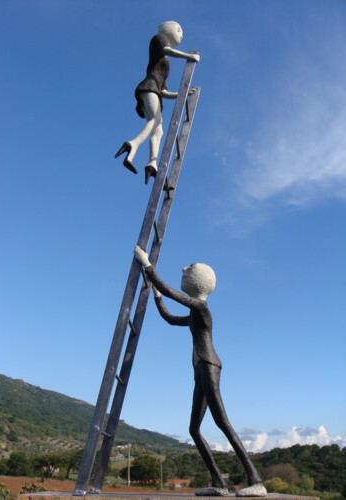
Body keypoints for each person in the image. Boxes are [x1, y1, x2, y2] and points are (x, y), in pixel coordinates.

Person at [134, 245, 267, 497]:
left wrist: (148, 265)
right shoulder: (194, 314)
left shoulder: (201, 308)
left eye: (190, 268)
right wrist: (156, 296)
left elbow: (172, 293)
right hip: (200, 370)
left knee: (222, 422)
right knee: (194, 429)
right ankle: (219, 483)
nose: (184, 269)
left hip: (209, 366)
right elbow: (169, 317)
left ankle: (255, 479)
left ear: (200, 282)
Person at [115, 21, 200, 184]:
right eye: (179, 30)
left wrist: (182, 94)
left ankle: (152, 163)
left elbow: (164, 92)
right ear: (168, 30)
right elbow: (167, 50)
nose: (182, 34)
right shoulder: (158, 39)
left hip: (155, 91)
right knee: (155, 121)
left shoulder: (165, 64)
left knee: (158, 130)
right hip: (148, 88)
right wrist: (189, 57)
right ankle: (132, 144)